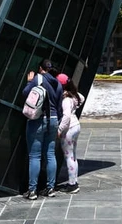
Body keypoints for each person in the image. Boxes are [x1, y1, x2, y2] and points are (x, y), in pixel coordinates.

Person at [22, 59, 63, 200]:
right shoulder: (57, 83)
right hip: (53, 120)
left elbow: (25, 93)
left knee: (35, 156)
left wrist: (29, 82)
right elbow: (59, 106)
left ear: (40, 68)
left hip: (38, 119)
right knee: (50, 154)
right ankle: (50, 188)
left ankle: (32, 191)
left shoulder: (38, 79)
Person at [57, 75, 83, 194]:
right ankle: (74, 181)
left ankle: (72, 185)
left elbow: (66, 116)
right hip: (76, 126)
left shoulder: (66, 99)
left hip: (69, 129)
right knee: (73, 156)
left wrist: (59, 129)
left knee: (69, 156)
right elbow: (81, 98)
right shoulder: (74, 96)